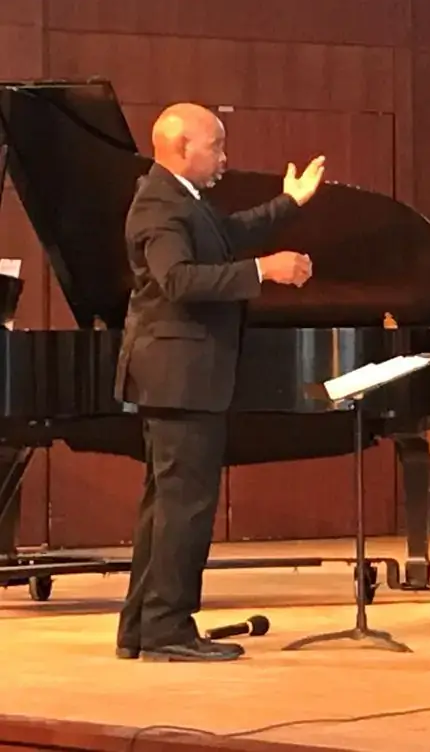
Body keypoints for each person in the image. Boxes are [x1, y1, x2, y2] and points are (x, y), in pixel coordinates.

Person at [114, 103, 325, 662]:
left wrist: (290, 203)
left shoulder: (183, 199)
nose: (226, 159)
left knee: (166, 506)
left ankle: (141, 627)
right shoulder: (160, 204)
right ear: (181, 147)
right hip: (179, 377)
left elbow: (229, 233)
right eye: (217, 146)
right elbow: (178, 280)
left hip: (180, 376)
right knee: (185, 507)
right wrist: (264, 270)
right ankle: (168, 630)